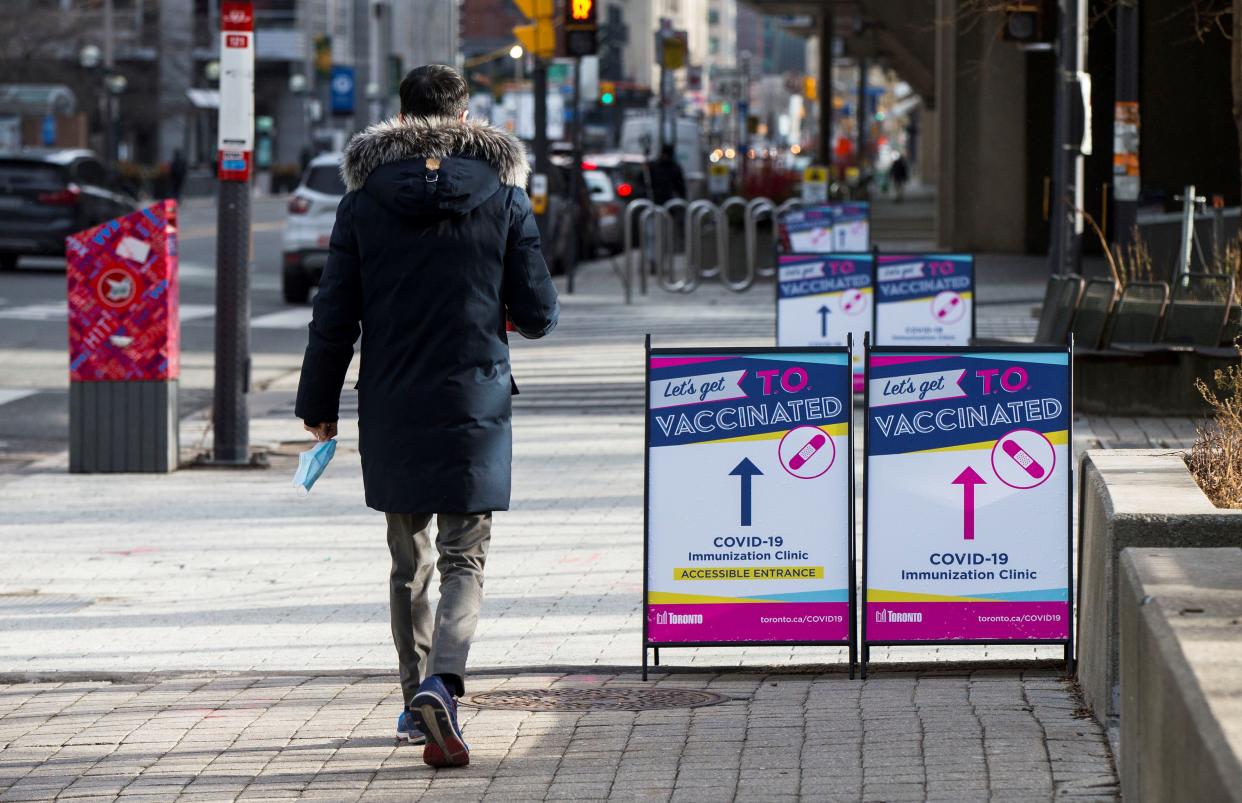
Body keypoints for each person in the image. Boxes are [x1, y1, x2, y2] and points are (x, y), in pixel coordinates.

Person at [294, 64, 559, 769]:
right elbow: (538, 315)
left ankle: (416, 700)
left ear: (401, 119)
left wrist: (316, 408)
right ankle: (446, 679)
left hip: (391, 400)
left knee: (407, 562)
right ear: (467, 119)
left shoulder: (361, 203)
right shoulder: (503, 197)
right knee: (465, 556)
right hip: (474, 401)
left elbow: (333, 317)